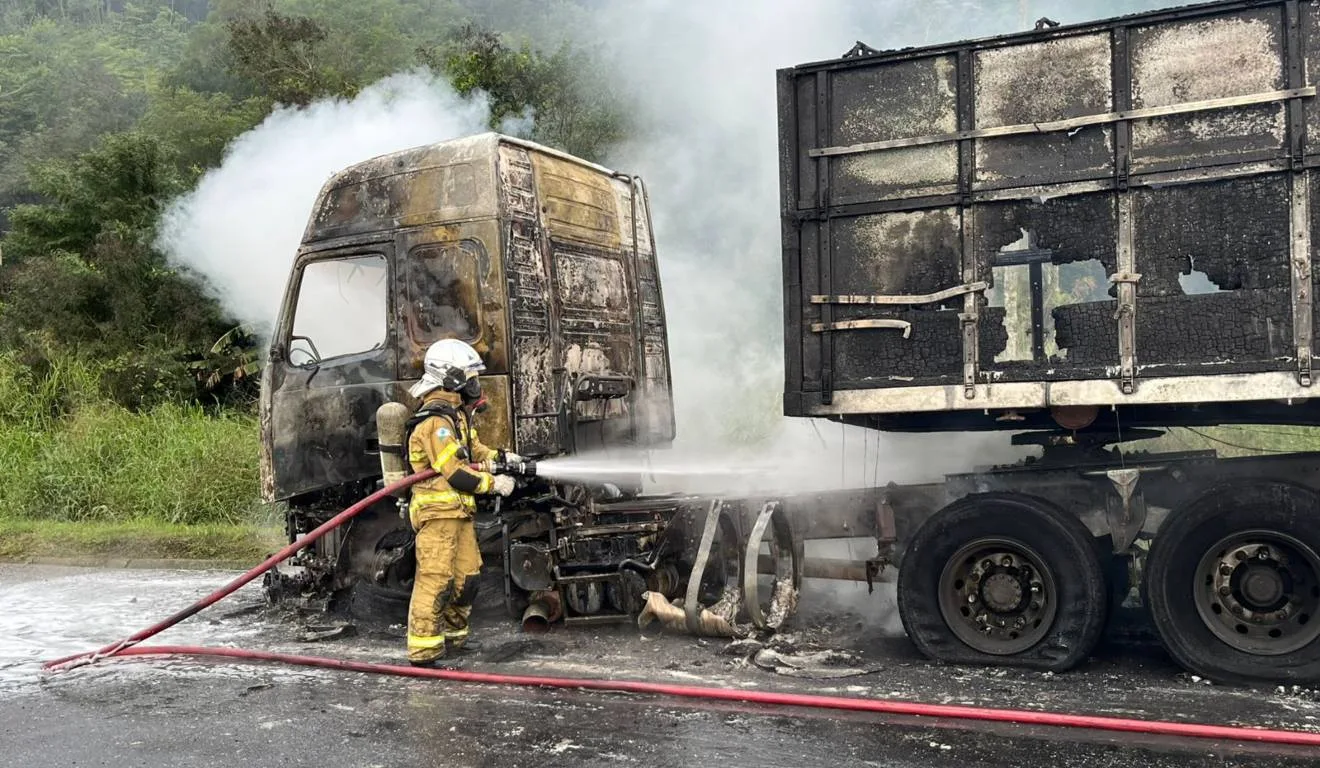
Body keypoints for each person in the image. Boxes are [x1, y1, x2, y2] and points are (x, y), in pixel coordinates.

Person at [404, 338, 523, 667]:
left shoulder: (455, 418)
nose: (475, 385)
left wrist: (503, 458)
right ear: (452, 377)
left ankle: (454, 641)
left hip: (459, 515)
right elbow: (455, 472)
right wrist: (493, 483)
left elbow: (475, 454)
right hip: (437, 516)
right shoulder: (435, 423)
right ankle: (424, 650)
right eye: (471, 377)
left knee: (467, 578)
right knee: (436, 580)